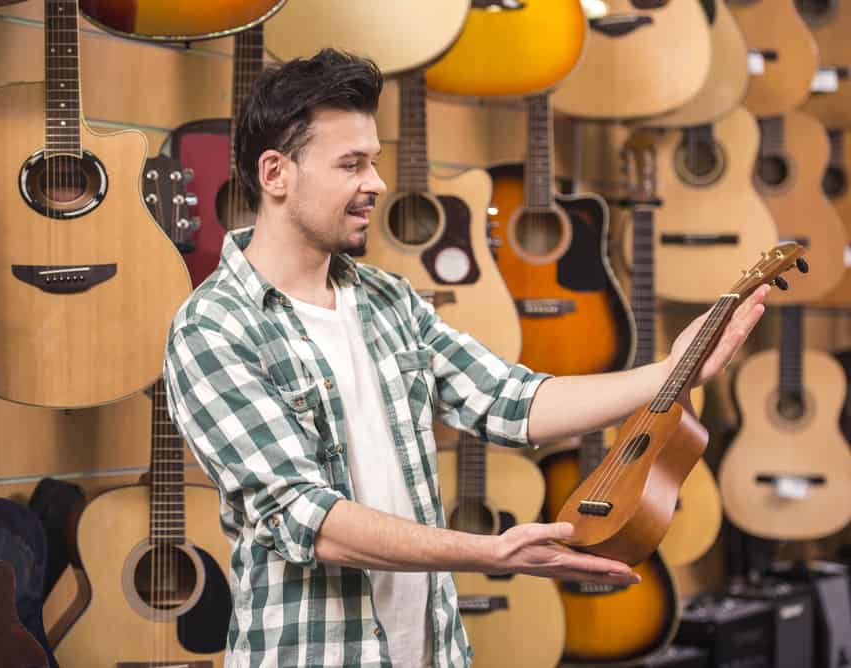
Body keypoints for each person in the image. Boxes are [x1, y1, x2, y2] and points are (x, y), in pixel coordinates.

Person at [163, 49, 769, 668]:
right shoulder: (214, 327)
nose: (376, 183)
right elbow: (308, 518)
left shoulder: (384, 299)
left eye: (374, 162)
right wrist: (490, 553)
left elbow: (510, 400)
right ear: (275, 174)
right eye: (351, 164)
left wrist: (673, 370)